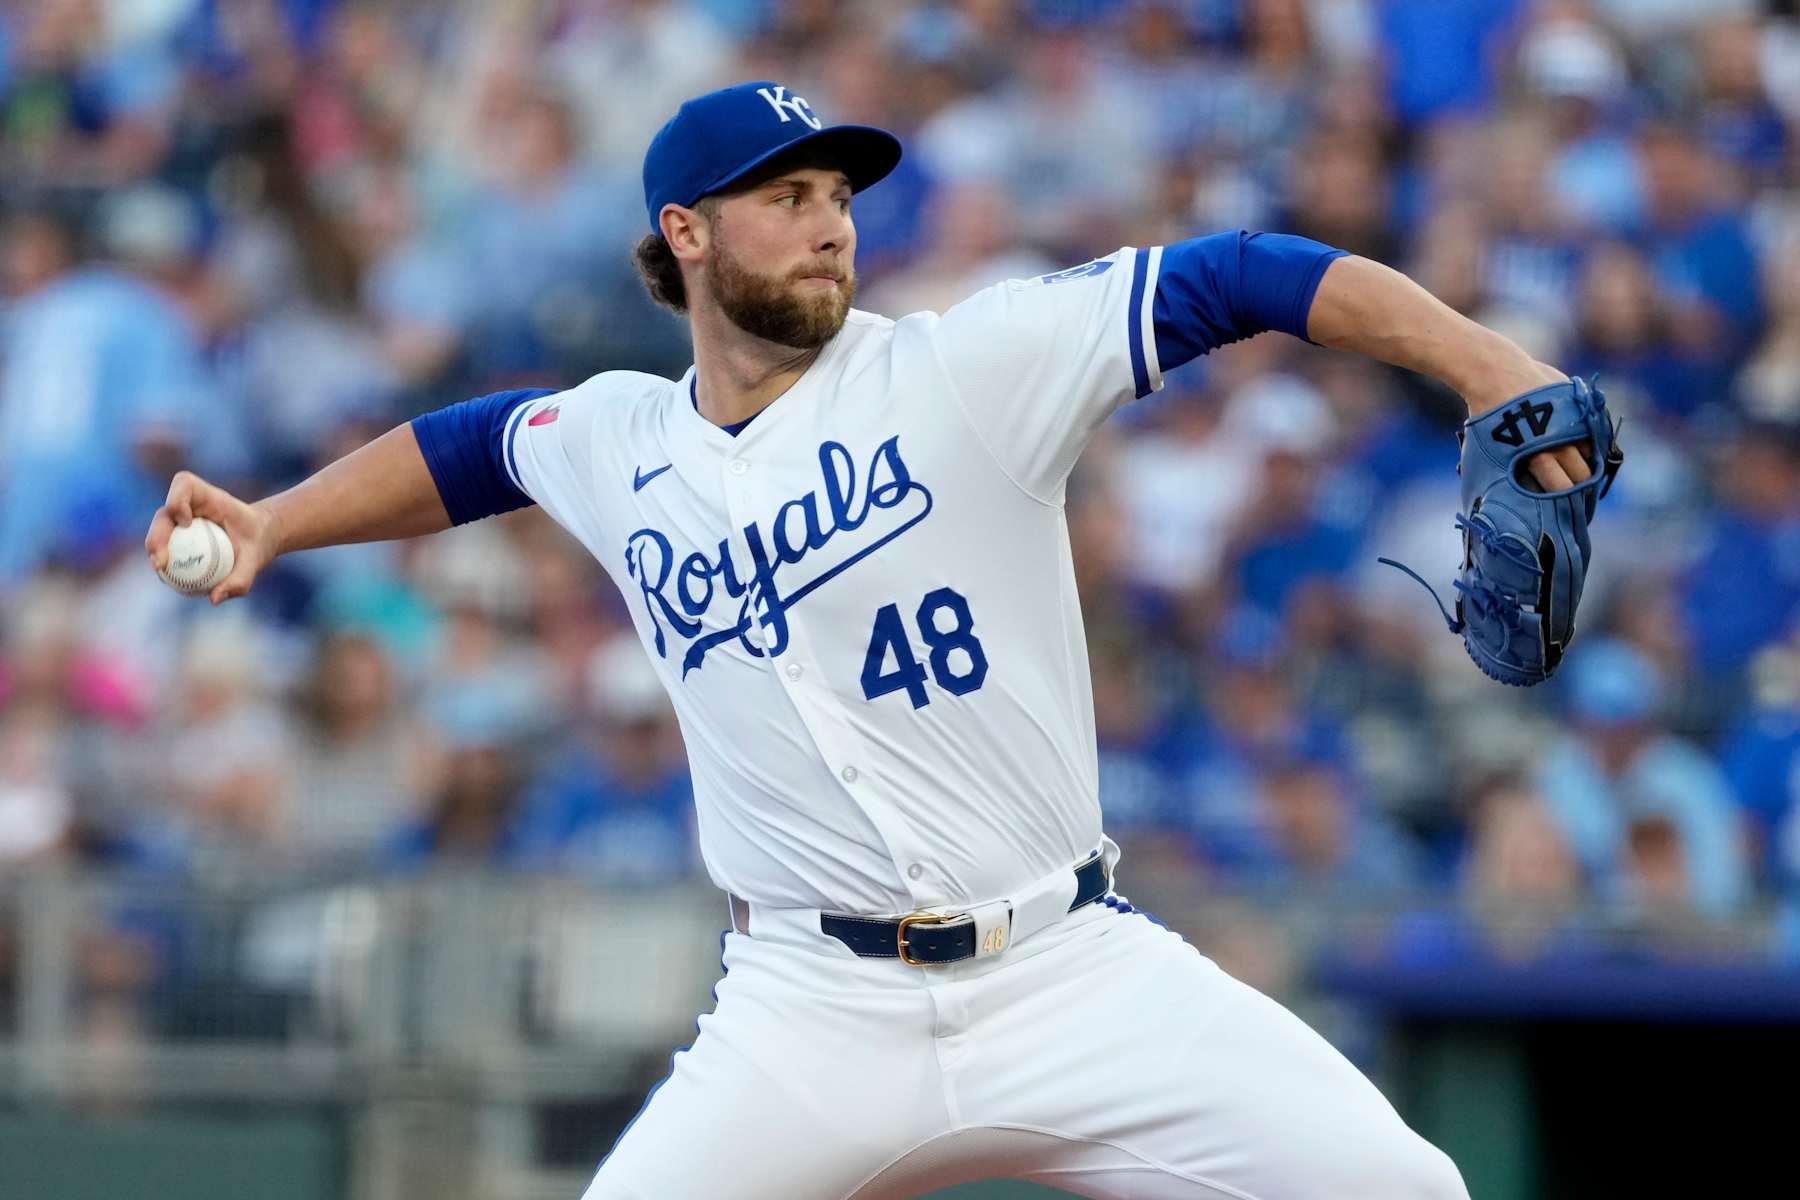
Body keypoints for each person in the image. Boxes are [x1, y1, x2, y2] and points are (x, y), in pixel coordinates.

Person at [146, 80, 1596, 1199]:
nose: (832, 218)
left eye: (838, 189)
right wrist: (273, 522)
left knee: (1408, 1186)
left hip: (1068, 969)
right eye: (786, 194)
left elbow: (1244, 274)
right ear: (687, 234)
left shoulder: (969, 367)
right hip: (809, 1006)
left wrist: (1486, 361)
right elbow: (473, 451)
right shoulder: (616, 437)